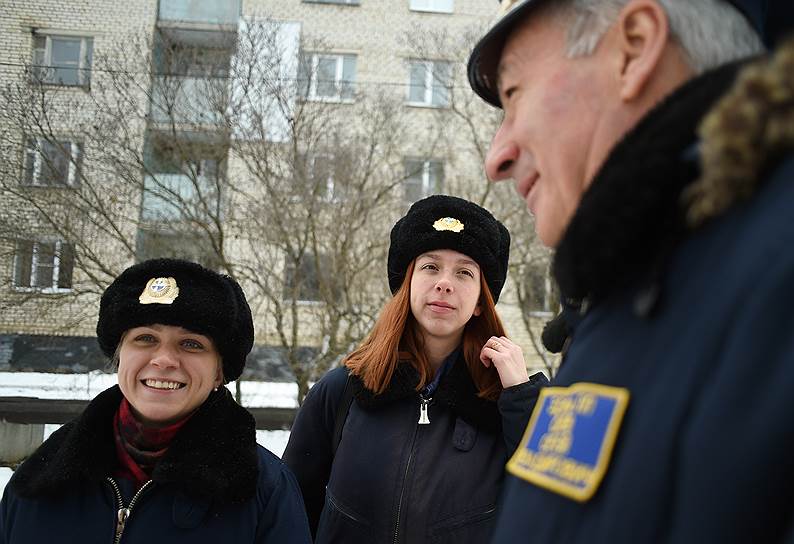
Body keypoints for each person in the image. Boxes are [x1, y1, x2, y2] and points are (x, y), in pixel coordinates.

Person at [466, 0, 794, 541]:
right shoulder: (626, 302)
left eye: (513, 94)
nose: (496, 157)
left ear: (636, 48)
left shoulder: (768, 285)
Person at [282, 194, 549, 543]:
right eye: (430, 266)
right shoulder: (343, 391)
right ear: (407, 285)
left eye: (464, 272)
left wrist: (521, 399)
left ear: (481, 303)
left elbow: (551, 510)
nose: (444, 283)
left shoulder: (506, 402)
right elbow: (290, 514)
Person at [0, 258, 312, 543]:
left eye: (191, 344)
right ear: (120, 355)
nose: (164, 359)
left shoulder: (265, 492)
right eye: (146, 338)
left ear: (219, 371)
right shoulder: (41, 476)